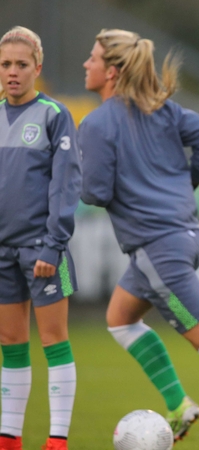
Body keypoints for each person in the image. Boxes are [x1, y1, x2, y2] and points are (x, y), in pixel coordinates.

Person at [78, 29, 199, 445]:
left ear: (112, 72)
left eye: (93, 58)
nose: (86, 64)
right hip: (182, 236)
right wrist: (180, 185)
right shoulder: (162, 110)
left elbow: (94, 192)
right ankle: (178, 405)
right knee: (119, 319)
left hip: (158, 250)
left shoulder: (97, 123)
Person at [0, 26, 81, 450]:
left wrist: (53, 244)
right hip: (1, 252)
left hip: (41, 250)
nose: (12, 73)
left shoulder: (54, 115)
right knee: (10, 342)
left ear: (38, 68)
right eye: (5, 65)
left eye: (21, 65)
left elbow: (65, 186)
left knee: (54, 339)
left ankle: (57, 440)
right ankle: (9, 439)